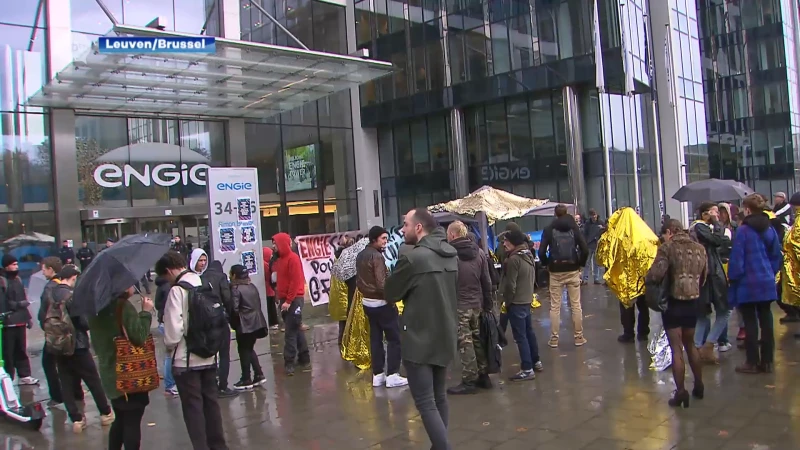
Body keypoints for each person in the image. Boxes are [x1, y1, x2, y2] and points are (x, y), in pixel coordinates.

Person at [385, 208, 457, 450]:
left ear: (418, 228)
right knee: (439, 398)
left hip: (418, 338)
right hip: (445, 334)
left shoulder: (412, 258)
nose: (401, 230)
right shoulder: (451, 254)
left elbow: (391, 292)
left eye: (405, 225)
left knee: (426, 402)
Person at [156, 251, 229, 450]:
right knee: (211, 404)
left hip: (186, 360)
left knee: (193, 408)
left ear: (169, 270)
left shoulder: (177, 291)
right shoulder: (204, 282)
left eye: (166, 276)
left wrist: (168, 345)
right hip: (209, 354)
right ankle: (218, 445)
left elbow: (173, 334)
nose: (167, 281)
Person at [645, 219, 707, 408]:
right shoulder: (700, 248)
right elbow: (704, 276)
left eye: (664, 234)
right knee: (691, 344)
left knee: (676, 348)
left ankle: (681, 392)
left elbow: (655, 275)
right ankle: (699, 384)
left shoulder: (667, 248)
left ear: (670, 231)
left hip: (673, 303)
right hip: (693, 301)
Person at [48, 266, 115, 432]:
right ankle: (105, 413)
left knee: (66, 383)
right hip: (77, 345)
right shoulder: (72, 297)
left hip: (58, 344)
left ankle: (76, 419)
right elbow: (83, 323)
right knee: (92, 380)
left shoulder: (49, 294)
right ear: (72, 278)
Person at [88, 284, 154, 450]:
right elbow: (139, 336)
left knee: (121, 419)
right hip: (130, 373)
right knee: (132, 420)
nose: (134, 285)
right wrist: (145, 312)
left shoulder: (95, 311)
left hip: (110, 373)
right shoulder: (123, 306)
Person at [728, 194, 783, 374]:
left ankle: (752, 362)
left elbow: (737, 259)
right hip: (766, 281)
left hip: (747, 284)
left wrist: (733, 278)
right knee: (767, 321)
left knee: (750, 322)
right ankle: (767, 361)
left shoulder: (743, 231)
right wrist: (769, 272)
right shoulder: (769, 228)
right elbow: (777, 255)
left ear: (748, 209)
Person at [357, 226, 407, 388]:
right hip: (382, 303)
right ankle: (392, 374)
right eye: (383, 238)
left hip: (367, 303)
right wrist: (392, 299)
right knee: (394, 338)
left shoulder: (361, 255)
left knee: (376, 339)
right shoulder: (376, 257)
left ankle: (378, 374)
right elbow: (381, 284)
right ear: (374, 239)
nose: (386, 242)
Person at [446, 221, 492, 394]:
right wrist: (488, 305)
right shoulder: (479, 253)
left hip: (460, 305)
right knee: (478, 339)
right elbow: (486, 281)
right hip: (477, 304)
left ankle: (469, 381)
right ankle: (483, 375)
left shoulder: (450, 254)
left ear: (452, 234)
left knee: (465, 344)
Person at [539, 204, 589, 348]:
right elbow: (584, 249)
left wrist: (547, 265)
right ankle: (578, 337)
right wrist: (580, 264)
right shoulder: (574, 228)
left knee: (555, 307)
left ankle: (554, 339)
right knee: (576, 306)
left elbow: (541, 252)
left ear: (555, 214)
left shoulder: (549, 229)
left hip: (555, 271)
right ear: (566, 213)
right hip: (572, 270)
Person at [688, 202, 731, 364]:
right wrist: (718, 225)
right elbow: (717, 241)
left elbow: (722, 243)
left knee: (705, 314)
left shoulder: (704, 228)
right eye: (714, 212)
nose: (717, 215)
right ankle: (705, 345)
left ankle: (700, 347)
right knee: (720, 311)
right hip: (710, 275)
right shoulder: (699, 227)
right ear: (705, 214)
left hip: (710, 273)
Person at [38, 257, 79, 407]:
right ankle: (77, 393)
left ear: (51, 269)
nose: (42, 272)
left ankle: (57, 396)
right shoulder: (62, 287)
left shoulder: (51, 288)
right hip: (65, 332)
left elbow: (45, 312)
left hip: (56, 332)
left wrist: (46, 325)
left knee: (52, 364)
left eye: (44, 269)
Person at [501, 230, 542, 381]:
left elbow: (510, 285)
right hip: (526, 300)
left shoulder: (513, 260)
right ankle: (536, 361)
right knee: (529, 332)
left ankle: (527, 368)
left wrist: (507, 301)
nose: (504, 244)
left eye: (506, 241)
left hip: (516, 302)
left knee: (521, 336)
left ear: (513, 242)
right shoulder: (528, 255)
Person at [273, 233, 310, 375]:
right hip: (287, 299)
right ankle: (304, 357)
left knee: (290, 331)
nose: (273, 246)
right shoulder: (281, 260)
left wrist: (288, 301)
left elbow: (295, 282)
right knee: (296, 328)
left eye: (275, 244)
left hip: (293, 300)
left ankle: (289, 362)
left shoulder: (292, 259)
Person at [200, 258, 237, 398]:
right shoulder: (221, 277)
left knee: (211, 354)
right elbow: (227, 299)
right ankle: (223, 386)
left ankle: (211, 385)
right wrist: (231, 316)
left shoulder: (202, 277)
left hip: (206, 322)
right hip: (220, 320)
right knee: (224, 354)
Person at [229, 264, 268, 390]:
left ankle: (246, 378)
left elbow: (234, 309)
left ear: (234, 275)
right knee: (249, 349)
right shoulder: (252, 286)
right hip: (256, 323)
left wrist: (234, 322)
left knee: (244, 350)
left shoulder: (235, 289)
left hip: (244, 324)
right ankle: (258, 374)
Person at [0, 255, 37, 385]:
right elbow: (4, 302)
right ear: (6, 266)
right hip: (8, 322)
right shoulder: (2, 281)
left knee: (21, 349)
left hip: (20, 320)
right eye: (13, 264)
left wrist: (28, 318)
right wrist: (18, 305)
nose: (16, 267)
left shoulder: (18, 279)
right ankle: (8, 377)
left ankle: (24, 375)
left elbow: (23, 296)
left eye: (17, 264)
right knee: (8, 352)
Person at [154, 273, 178, 398]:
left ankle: (171, 384)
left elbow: (157, 305)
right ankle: (170, 386)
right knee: (171, 355)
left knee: (169, 354)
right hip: (169, 322)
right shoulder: (169, 286)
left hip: (163, 321)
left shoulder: (161, 285)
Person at [582, 209, 606, 284]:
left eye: (594, 215)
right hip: (590, 244)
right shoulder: (588, 223)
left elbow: (605, 231)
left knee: (595, 262)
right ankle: (587, 278)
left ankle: (595, 278)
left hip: (596, 244)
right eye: (592, 215)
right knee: (588, 262)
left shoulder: (600, 222)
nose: (594, 217)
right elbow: (585, 233)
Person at [262, 247, 280, 330]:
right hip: (269, 289)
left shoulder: (263, 263)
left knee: (269, 307)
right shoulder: (265, 265)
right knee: (271, 307)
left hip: (266, 289)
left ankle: (272, 322)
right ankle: (273, 322)